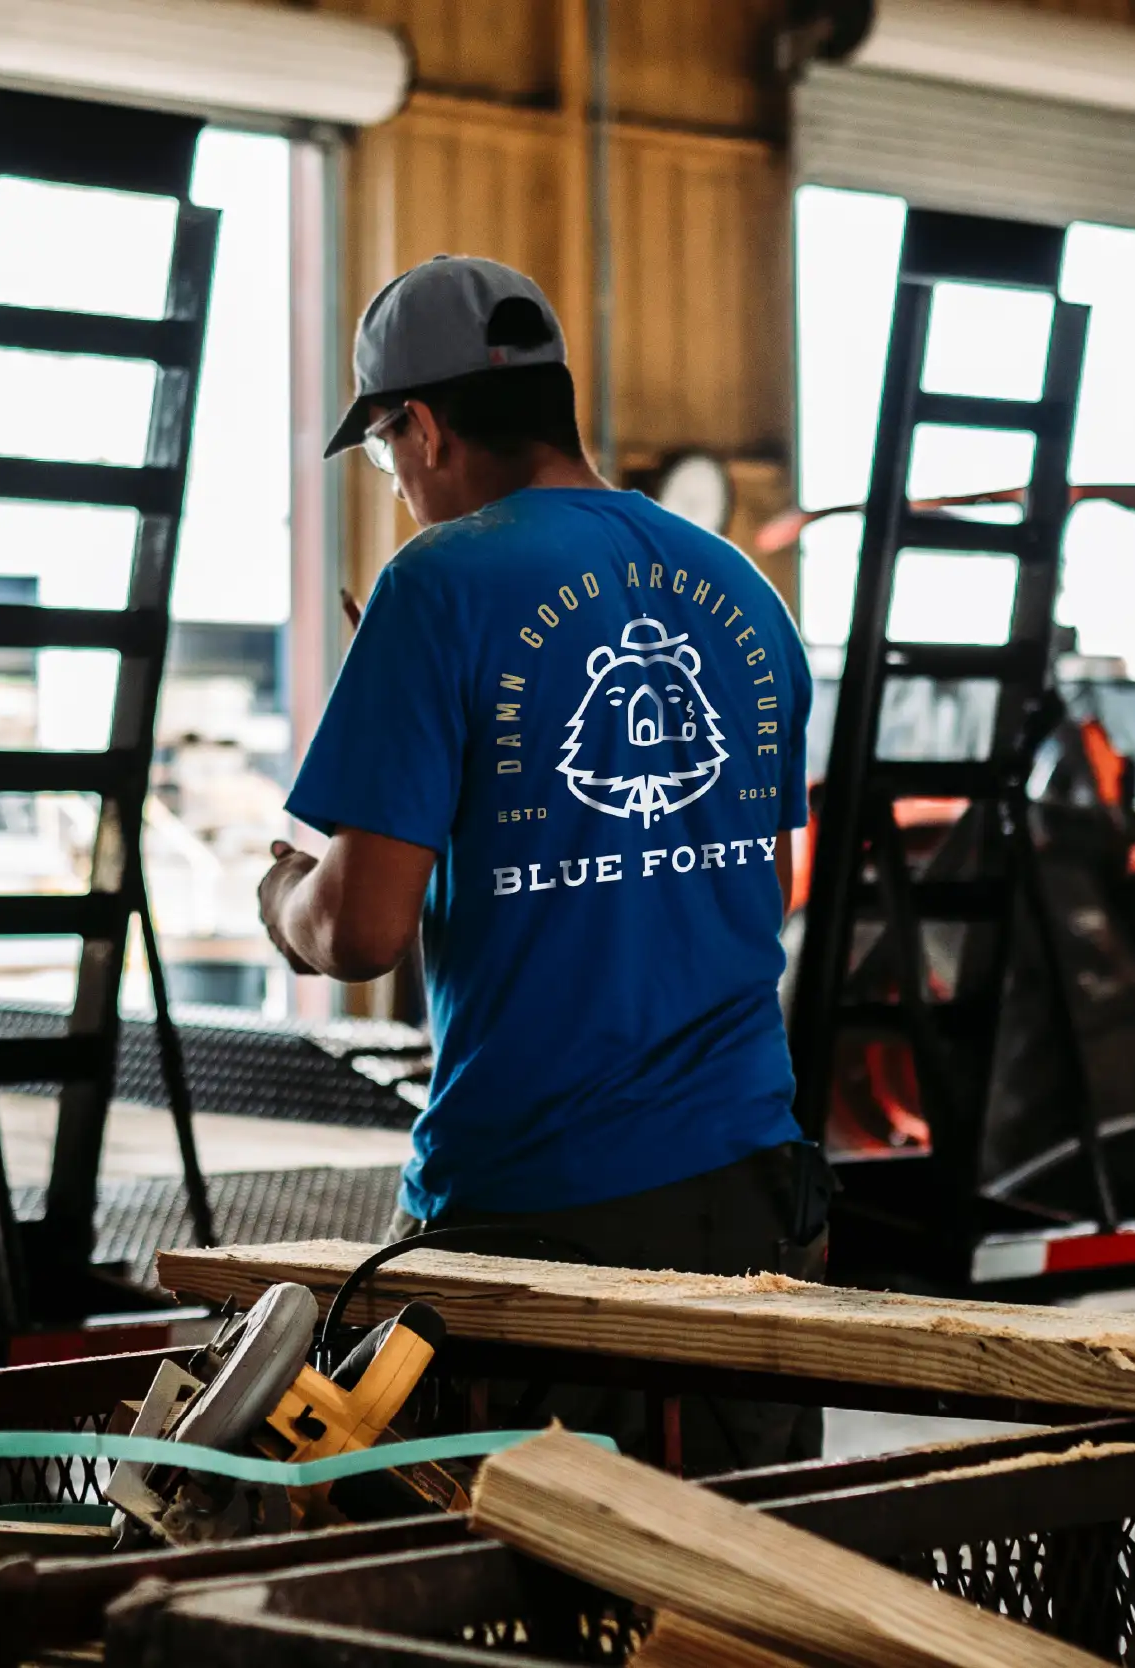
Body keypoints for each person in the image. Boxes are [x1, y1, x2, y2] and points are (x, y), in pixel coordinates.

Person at [257, 255, 826, 1472]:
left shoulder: (439, 583)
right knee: (738, 1597)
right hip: (747, 1190)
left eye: (383, 452)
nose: (397, 483)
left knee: (535, 1605)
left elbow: (360, 933)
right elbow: (737, 880)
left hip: (536, 1204)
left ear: (419, 424)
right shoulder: (745, 592)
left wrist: (280, 897)